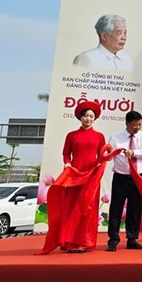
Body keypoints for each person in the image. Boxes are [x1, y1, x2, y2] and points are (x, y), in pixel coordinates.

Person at [41, 99, 107, 253]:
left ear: (95, 118)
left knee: (87, 209)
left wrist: (100, 163)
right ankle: (69, 242)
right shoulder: (72, 135)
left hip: (91, 177)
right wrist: (67, 163)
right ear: (80, 117)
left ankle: (84, 242)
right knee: (72, 208)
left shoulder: (99, 136)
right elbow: (66, 153)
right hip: (74, 176)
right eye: (85, 116)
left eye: (91, 116)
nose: (88, 119)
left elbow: (101, 155)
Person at [106, 110, 142, 252]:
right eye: (134, 125)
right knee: (116, 209)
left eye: (139, 125)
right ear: (126, 124)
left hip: (138, 177)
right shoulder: (116, 137)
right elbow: (109, 155)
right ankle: (113, 240)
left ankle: (132, 239)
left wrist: (133, 152)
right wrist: (110, 153)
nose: (137, 127)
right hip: (120, 177)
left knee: (135, 209)